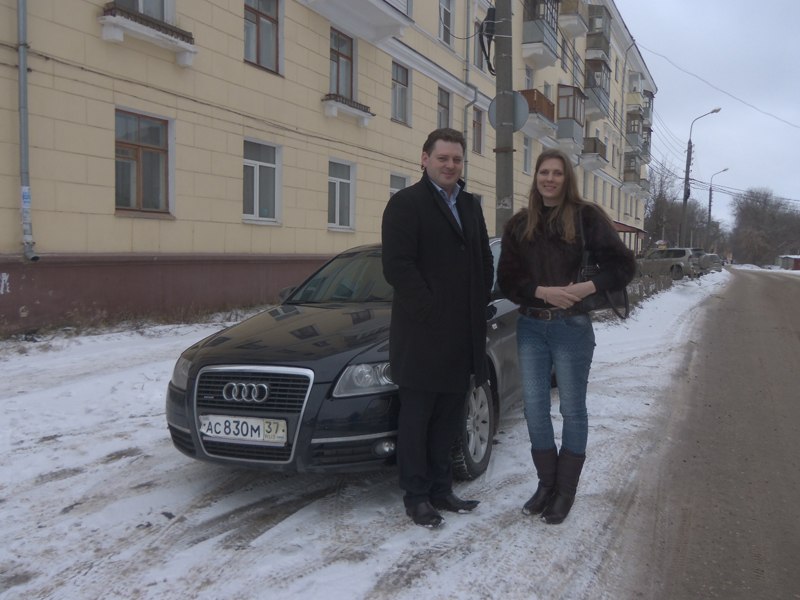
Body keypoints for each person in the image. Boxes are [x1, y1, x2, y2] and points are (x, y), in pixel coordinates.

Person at [497, 148, 636, 524]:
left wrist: (585, 288)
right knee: (534, 409)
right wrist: (542, 292)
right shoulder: (519, 224)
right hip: (531, 326)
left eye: (557, 173)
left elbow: (624, 266)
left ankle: (565, 491)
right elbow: (507, 280)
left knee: (572, 409)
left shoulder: (586, 217)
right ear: (536, 177)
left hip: (572, 327)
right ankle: (546, 485)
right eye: (544, 172)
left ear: (567, 178)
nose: (550, 179)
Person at [382, 128, 494, 529]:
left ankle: (442, 489)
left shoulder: (469, 205)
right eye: (443, 158)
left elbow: (484, 259)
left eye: (457, 159)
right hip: (422, 335)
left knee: (449, 418)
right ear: (424, 159)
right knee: (417, 420)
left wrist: (478, 300)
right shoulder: (405, 204)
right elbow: (398, 267)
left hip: (462, 336)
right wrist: (432, 311)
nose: (450, 165)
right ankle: (417, 497)